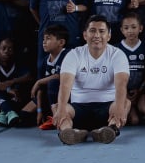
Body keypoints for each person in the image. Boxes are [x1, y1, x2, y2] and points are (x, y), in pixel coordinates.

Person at [55, 15, 130, 145]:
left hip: (107, 109)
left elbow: (121, 84)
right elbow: (65, 84)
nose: (97, 35)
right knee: (60, 107)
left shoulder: (118, 54)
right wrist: (61, 109)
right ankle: (69, 133)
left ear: (109, 36)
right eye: (92, 30)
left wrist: (119, 108)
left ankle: (110, 130)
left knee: (125, 103)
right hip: (79, 107)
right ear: (85, 35)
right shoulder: (74, 54)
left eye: (101, 31)